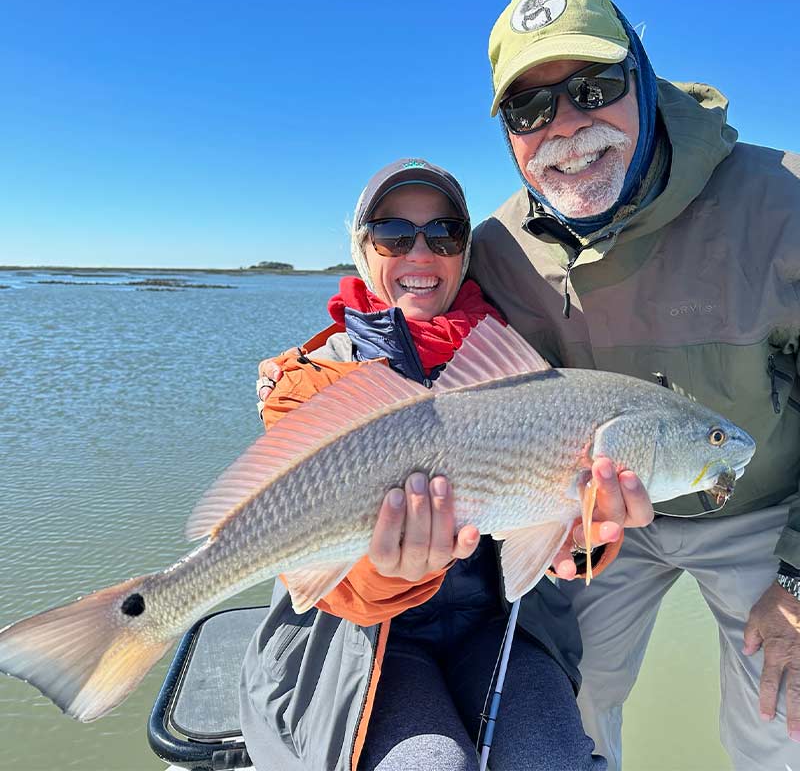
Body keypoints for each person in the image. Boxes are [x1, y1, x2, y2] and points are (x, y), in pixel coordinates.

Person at [468, 0, 800, 770]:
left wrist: (798, 578)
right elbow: (486, 407)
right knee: (560, 700)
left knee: (784, 712)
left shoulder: (783, 200)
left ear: (645, 80)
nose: (567, 127)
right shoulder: (497, 250)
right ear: (509, 134)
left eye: (594, 88)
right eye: (530, 109)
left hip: (770, 513)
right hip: (598, 521)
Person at [239, 158, 651, 771]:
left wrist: (583, 538)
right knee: (428, 762)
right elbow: (316, 580)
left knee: (551, 759)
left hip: (500, 628)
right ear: (362, 248)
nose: (420, 253)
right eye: (393, 234)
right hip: (356, 644)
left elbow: (555, 542)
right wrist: (393, 572)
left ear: (465, 251)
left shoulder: (531, 365)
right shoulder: (309, 383)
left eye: (444, 233)